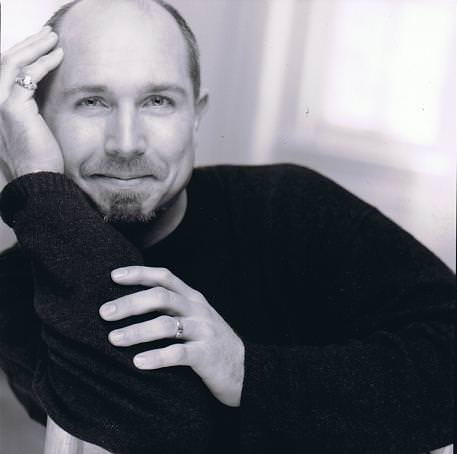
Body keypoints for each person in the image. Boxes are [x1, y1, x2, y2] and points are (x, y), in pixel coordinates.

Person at [0, 0, 454, 453]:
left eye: (158, 101)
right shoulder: (17, 286)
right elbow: (155, 428)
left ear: (196, 116)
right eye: (91, 102)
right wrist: (37, 189)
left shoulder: (287, 203)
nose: (126, 143)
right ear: (38, 122)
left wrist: (245, 370)